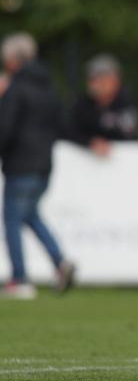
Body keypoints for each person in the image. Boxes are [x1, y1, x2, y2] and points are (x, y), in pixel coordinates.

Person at [0, 33, 75, 299]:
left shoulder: (16, 89)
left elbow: (6, 128)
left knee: (12, 219)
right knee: (30, 215)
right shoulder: (48, 88)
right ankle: (60, 262)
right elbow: (62, 125)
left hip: (20, 165)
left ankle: (19, 278)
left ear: (13, 60)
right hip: (44, 165)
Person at [68, 54, 138, 156]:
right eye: (92, 79)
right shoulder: (82, 105)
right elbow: (69, 131)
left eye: (101, 79)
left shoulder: (126, 103)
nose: (96, 84)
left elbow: (131, 135)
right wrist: (90, 142)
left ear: (115, 80)